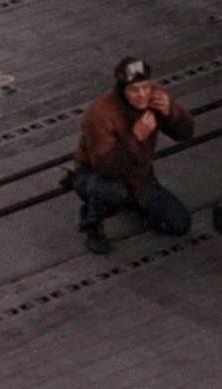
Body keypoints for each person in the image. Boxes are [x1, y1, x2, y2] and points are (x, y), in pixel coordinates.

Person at [70, 56, 194, 253]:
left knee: (179, 224)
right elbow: (105, 168)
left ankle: (133, 202)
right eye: (134, 90)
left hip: (138, 177)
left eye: (145, 87)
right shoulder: (100, 114)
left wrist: (171, 111)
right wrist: (136, 137)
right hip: (97, 175)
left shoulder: (155, 98)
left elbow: (186, 133)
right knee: (112, 191)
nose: (142, 94)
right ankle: (91, 223)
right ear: (122, 90)